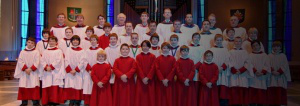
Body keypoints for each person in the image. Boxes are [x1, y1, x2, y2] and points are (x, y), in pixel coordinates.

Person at [14, 37, 40, 106]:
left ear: (34, 44)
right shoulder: (22, 52)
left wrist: (30, 69)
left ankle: (35, 102)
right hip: (24, 73)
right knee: (24, 86)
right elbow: (20, 61)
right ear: (26, 42)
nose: (30, 44)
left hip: (33, 72)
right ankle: (24, 102)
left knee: (34, 86)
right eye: (29, 42)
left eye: (32, 43)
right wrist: (25, 69)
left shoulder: (36, 52)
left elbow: (37, 62)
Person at [228, 37, 253, 105]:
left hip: (242, 74)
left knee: (242, 90)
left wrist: (241, 70)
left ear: (241, 43)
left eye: (239, 41)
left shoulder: (245, 52)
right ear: (234, 42)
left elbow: (247, 62)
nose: (238, 43)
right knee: (234, 90)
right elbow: (229, 61)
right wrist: (233, 70)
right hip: (234, 74)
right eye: (236, 41)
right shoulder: (230, 52)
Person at [40, 36, 65, 105]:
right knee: (47, 85)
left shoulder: (59, 51)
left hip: (55, 71)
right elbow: (42, 60)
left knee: (54, 86)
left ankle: (54, 101)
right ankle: (47, 100)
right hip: (47, 72)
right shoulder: (45, 51)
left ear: (56, 42)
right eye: (50, 41)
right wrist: (46, 67)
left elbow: (59, 60)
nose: (51, 42)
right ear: (48, 42)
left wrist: (51, 67)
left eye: (53, 41)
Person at [64, 35, 86, 106]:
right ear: (71, 41)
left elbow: (82, 61)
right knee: (71, 86)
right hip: (70, 72)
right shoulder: (68, 49)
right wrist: (70, 70)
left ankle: (77, 101)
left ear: (79, 41)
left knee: (78, 85)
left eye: (77, 40)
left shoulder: (82, 51)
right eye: (74, 40)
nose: (75, 41)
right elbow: (66, 60)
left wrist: (76, 70)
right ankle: (71, 100)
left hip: (77, 72)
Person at [267, 41, 291, 105]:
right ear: (272, 47)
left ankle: (279, 103)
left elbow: (285, 65)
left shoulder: (283, 56)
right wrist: (273, 71)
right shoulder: (269, 56)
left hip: (280, 76)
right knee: (272, 91)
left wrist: (279, 72)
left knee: (279, 91)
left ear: (280, 47)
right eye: (274, 46)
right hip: (272, 76)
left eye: (277, 46)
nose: (276, 48)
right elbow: (267, 65)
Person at [210, 34, 230, 106]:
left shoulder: (225, 50)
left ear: (222, 41)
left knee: (223, 90)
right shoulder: (211, 49)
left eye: (220, 40)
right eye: (217, 40)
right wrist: (216, 69)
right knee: (215, 90)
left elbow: (228, 60)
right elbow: (210, 59)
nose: (219, 41)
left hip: (223, 72)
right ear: (215, 41)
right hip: (215, 72)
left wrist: (222, 67)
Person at [83, 35, 103, 105]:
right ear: (90, 41)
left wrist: (94, 70)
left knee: (95, 86)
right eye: (92, 40)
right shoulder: (87, 50)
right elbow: (84, 60)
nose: (93, 41)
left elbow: (102, 60)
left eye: (94, 40)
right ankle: (88, 102)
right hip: (89, 72)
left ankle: (96, 101)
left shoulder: (100, 50)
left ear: (97, 41)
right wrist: (89, 69)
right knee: (88, 86)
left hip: (97, 72)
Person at [248, 40, 270, 105]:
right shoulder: (250, 55)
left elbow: (267, 65)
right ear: (251, 47)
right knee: (253, 94)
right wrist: (255, 71)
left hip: (262, 77)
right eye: (253, 46)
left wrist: (262, 72)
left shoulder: (265, 55)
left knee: (261, 94)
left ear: (260, 46)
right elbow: (249, 64)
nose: (255, 47)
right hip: (254, 77)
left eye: (257, 45)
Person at [135, 40, 156, 106]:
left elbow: (153, 68)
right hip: (141, 80)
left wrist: (148, 77)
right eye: (143, 46)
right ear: (141, 47)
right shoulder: (138, 56)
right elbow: (138, 68)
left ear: (149, 47)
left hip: (150, 80)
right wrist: (143, 78)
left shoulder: (153, 56)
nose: (145, 47)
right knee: (140, 96)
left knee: (150, 96)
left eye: (147, 46)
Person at [155, 42, 176, 106]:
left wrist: (167, 79)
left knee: (169, 98)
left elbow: (174, 69)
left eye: (167, 48)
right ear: (161, 49)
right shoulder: (158, 59)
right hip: (160, 81)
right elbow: (157, 69)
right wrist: (162, 79)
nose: (165, 49)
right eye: (164, 48)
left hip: (169, 81)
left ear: (169, 49)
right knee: (160, 97)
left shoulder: (173, 59)